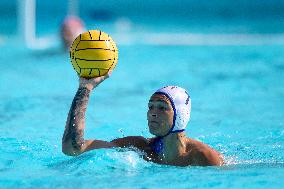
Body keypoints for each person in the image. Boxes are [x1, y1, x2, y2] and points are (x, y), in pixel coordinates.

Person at [62, 72, 224, 166]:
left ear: (180, 115)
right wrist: (85, 88)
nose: (153, 113)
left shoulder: (203, 157)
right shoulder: (139, 147)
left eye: (162, 107)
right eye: (150, 107)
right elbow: (72, 148)